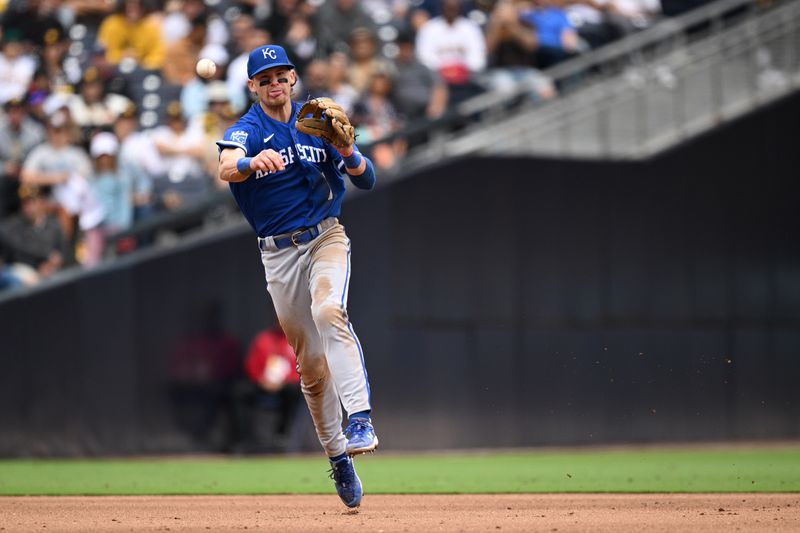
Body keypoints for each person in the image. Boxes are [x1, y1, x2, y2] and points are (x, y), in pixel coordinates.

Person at [216, 44, 379, 508]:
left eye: (280, 75)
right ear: (253, 86)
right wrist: (248, 164)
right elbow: (226, 165)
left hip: (325, 237)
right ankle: (338, 458)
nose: (273, 84)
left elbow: (366, 179)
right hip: (278, 255)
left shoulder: (316, 122)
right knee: (309, 365)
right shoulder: (246, 130)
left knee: (330, 310)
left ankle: (360, 418)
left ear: (292, 78)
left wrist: (347, 149)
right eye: (263, 78)